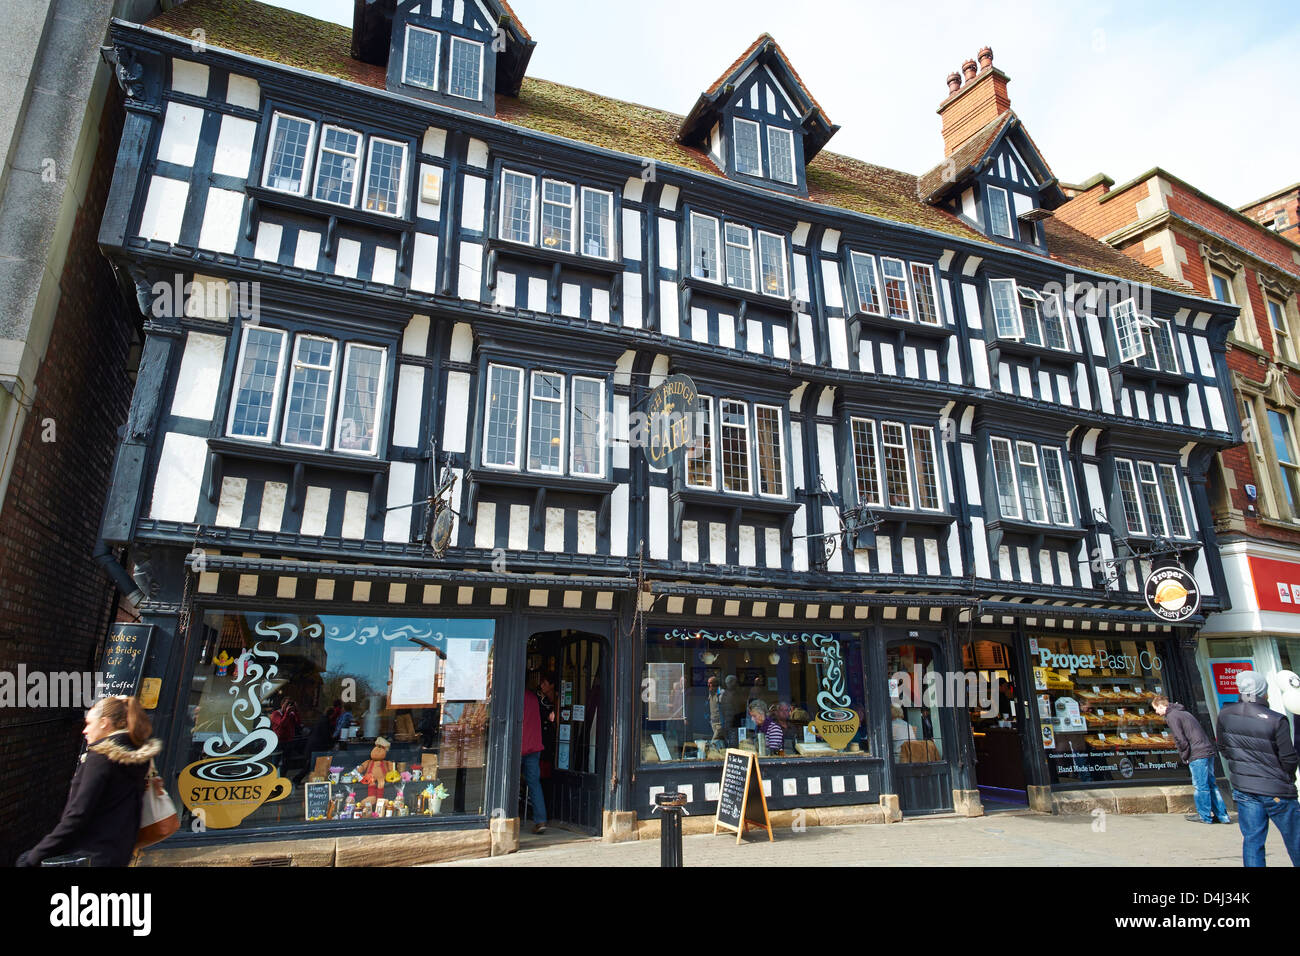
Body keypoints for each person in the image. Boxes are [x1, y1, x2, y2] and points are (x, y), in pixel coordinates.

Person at [17, 696, 162, 867]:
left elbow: (78, 815)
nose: (84, 730)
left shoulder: (100, 758)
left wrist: (34, 856)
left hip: (87, 857)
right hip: (118, 855)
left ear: (104, 723)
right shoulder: (138, 758)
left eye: (88, 723)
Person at [1215, 671, 1299, 867]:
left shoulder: (1225, 714)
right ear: (1263, 690)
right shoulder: (1275, 719)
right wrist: (1287, 778)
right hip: (1277, 789)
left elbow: (1223, 747)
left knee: (1253, 841)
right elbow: (1288, 758)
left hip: (1245, 787)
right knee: (1296, 839)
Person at [1151, 694, 1229, 824]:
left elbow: (1180, 739)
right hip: (1207, 750)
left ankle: (1204, 816)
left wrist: (1185, 755)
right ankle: (1222, 816)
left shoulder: (1172, 716)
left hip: (1197, 753)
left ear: (1161, 705)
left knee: (1201, 786)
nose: (1156, 712)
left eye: (1156, 709)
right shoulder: (1183, 712)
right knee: (1211, 784)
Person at [521, 683, 548, 834]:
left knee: (510, 782)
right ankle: (541, 820)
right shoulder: (533, 697)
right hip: (535, 745)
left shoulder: (517, 696)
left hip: (519, 745)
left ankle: (507, 816)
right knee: (534, 784)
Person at [707, 676, 724, 741]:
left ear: (716, 684)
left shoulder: (721, 693)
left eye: (710, 683)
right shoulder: (711, 693)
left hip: (720, 723)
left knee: (714, 742)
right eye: (708, 683)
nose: (708, 685)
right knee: (721, 741)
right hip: (713, 722)